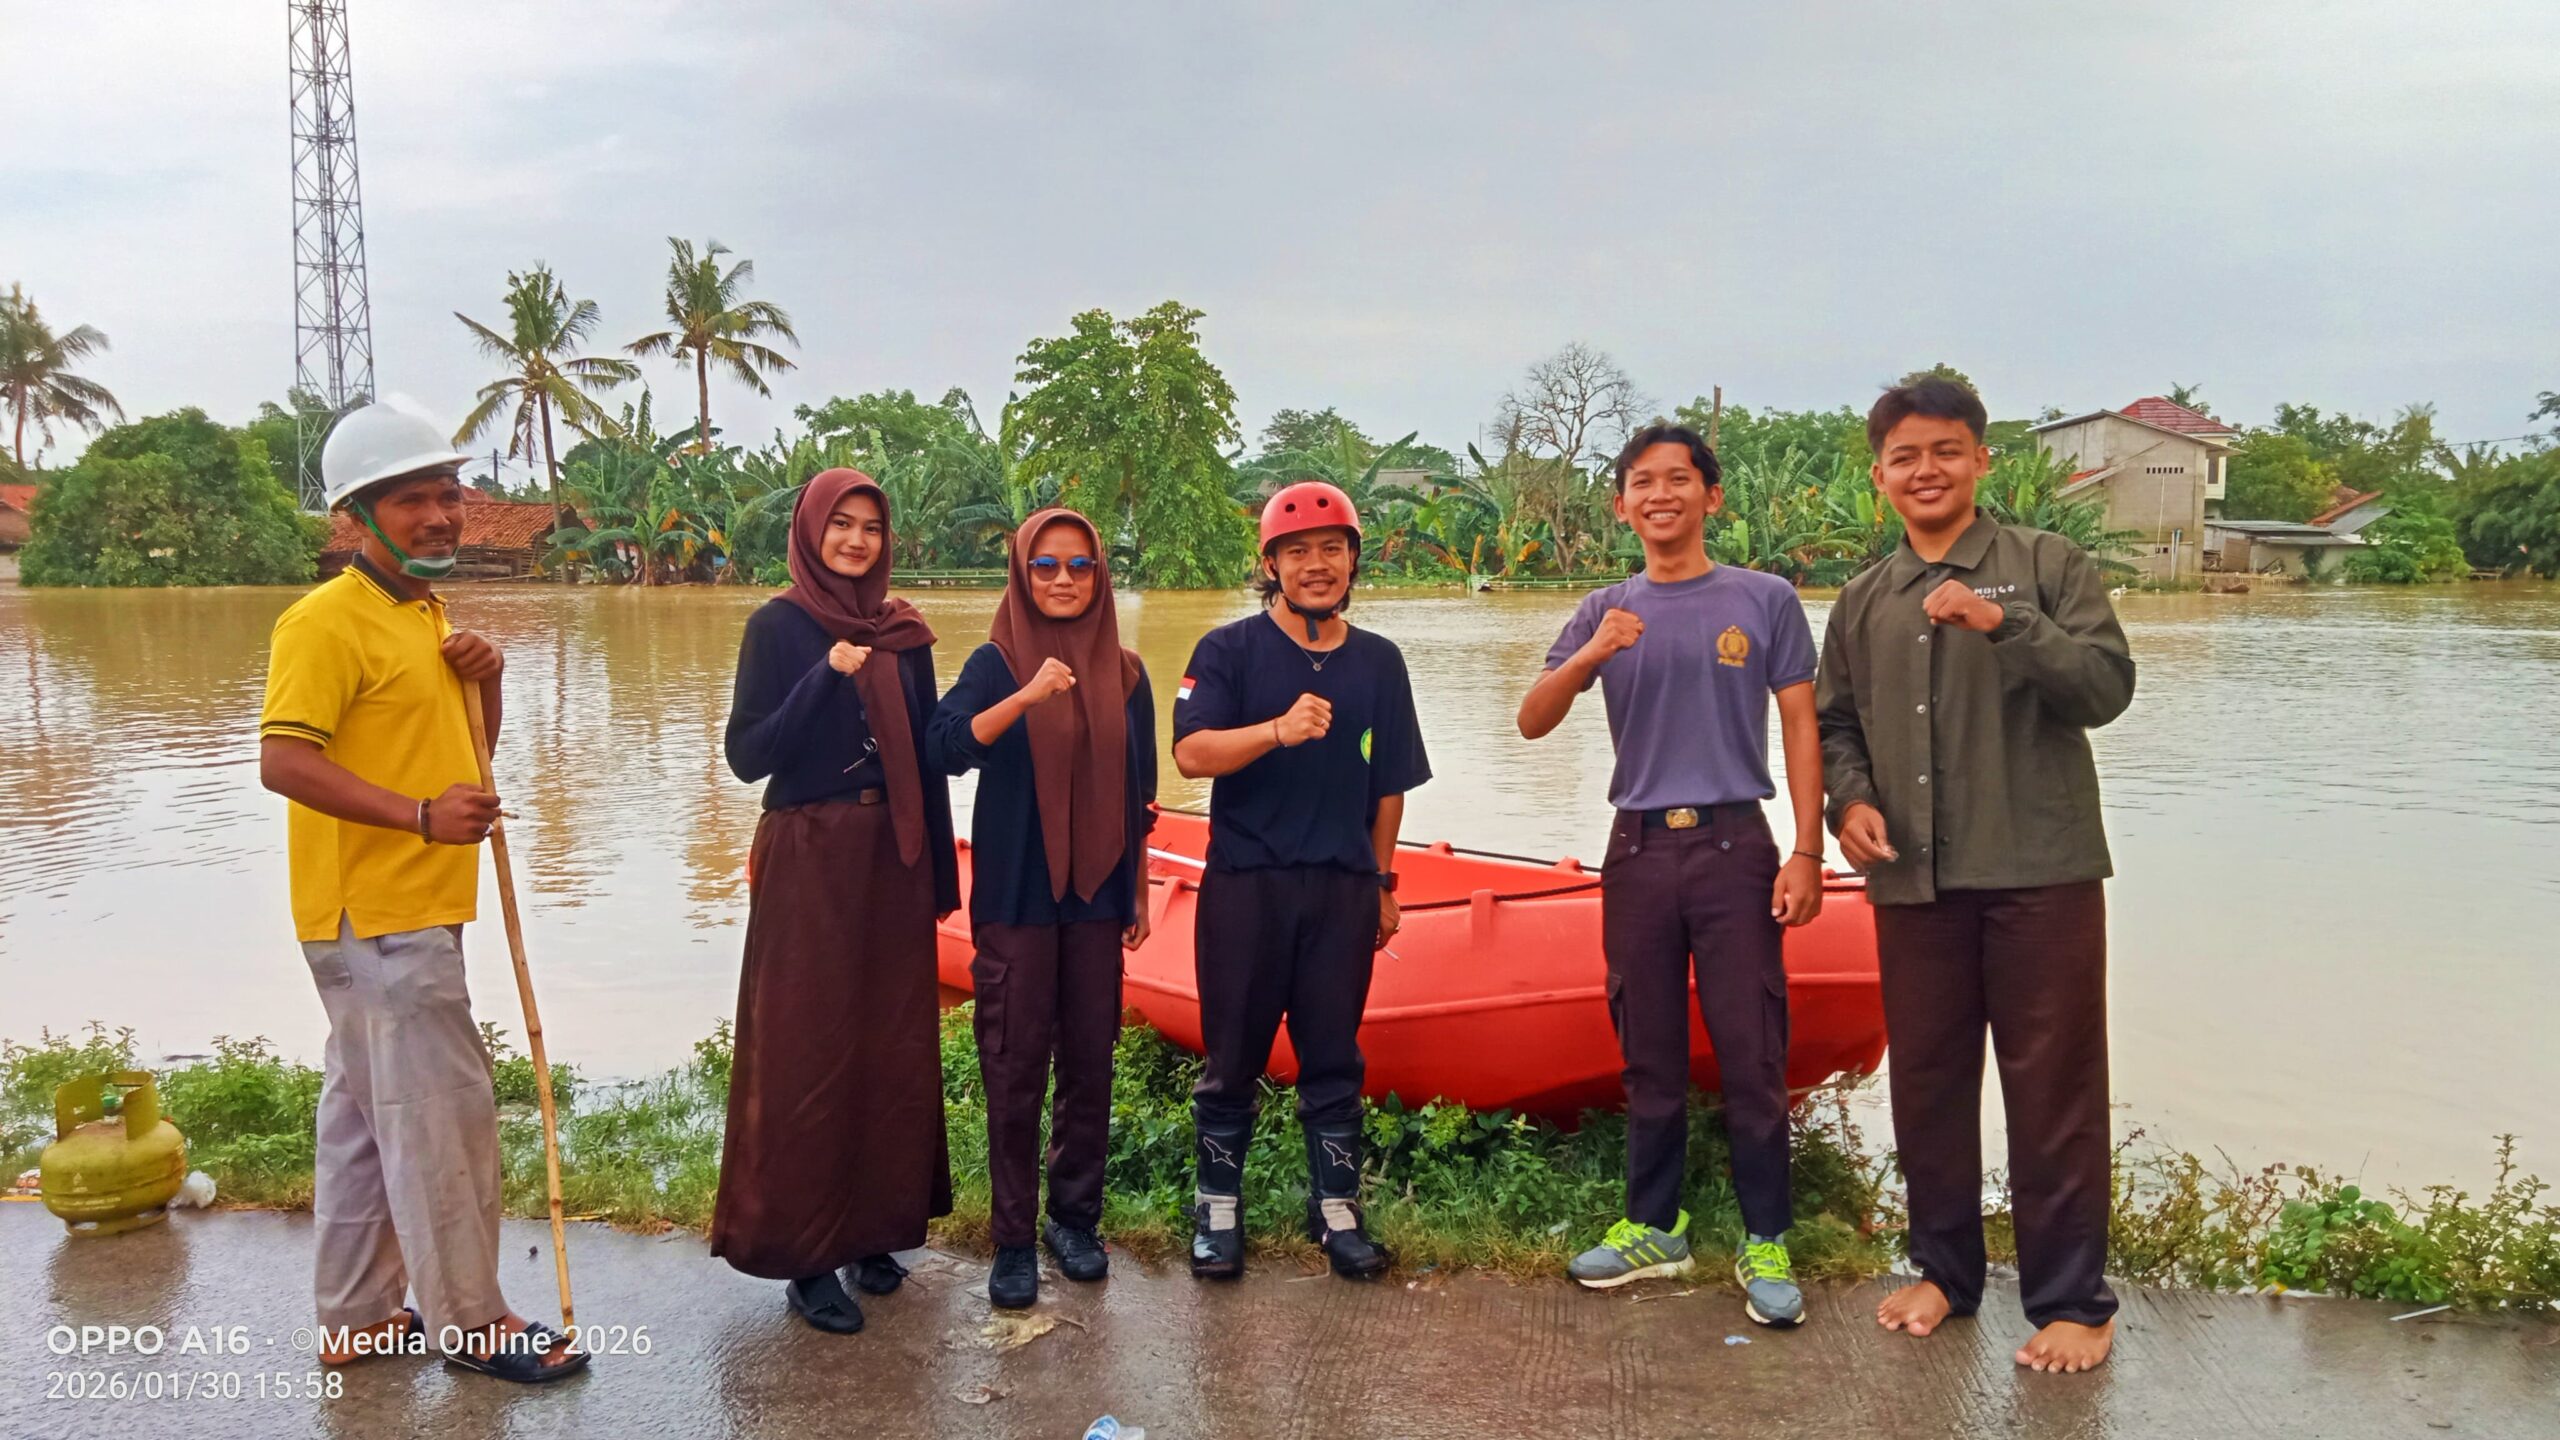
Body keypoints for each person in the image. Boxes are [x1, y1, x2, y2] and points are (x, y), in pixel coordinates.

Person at [257, 403, 587, 1384]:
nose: (441, 514)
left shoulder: (425, 615)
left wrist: (487, 681)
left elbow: (469, 760)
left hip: (414, 915)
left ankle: (356, 1318)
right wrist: (415, 818)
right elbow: (282, 761)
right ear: (358, 515)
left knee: (366, 1124)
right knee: (445, 1119)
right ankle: (472, 1324)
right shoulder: (322, 622)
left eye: (448, 494)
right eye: (414, 499)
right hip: (377, 920)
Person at [1816, 376, 2135, 1374]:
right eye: (1905, 457)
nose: (1926, 471)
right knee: (1929, 1083)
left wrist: (2010, 627)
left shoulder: (2045, 565)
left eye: (1945, 451)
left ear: (1980, 460)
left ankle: (2074, 1303)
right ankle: (1944, 1275)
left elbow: (2105, 689)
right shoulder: (1866, 600)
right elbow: (1835, 724)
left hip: (2039, 871)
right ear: (1880, 477)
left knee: (2055, 1088)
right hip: (1913, 879)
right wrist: (1849, 803)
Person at [1516, 423, 1827, 1328]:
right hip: (1640, 851)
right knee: (1646, 1048)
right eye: (1642, 482)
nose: (1661, 494)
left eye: (1679, 479)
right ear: (1621, 504)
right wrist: (1591, 652)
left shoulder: (1765, 600)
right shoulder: (1603, 608)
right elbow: (1532, 720)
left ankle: (1766, 1237)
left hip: (1738, 847)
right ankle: (1657, 1226)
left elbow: (1803, 726)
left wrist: (1808, 849)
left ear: (1711, 497)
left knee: (1751, 1050)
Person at [714, 468, 960, 1335]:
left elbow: (928, 756)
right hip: (811, 854)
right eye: (841, 525)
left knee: (888, 1045)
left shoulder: (904, 633)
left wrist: (941, 879)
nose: (857, 540)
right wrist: (825, 674)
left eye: (871, 528)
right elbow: (750, 758)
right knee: (806, 1050)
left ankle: (873, 1233)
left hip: (892, 857)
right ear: (811, 531)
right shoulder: (777, 627)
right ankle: (808, 1258)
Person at [1170, 481, 1430, 1280]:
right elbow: (1190, 754)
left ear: (1354, 559)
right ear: (1270, 566)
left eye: (1331, 549)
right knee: (1233, 1054)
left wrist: (1382, 882)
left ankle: (1338, 1211)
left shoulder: (1379, 662)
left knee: (1331, 1054)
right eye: (1296, 552)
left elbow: (1390, 782)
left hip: (1341, 889)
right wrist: (1277, 731)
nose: (1315, 565)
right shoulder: (1227, 653)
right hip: (1248, 884)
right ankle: (1218, 1210)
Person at [925, 509, 1157, 1311]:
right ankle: (1014, 1240)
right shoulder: (995, 662)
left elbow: (1142, 794)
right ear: (1023, 576)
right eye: (1046, 566)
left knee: (1090, 1064)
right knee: (1014, 1067)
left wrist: (1140, 887)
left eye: (1081, 566)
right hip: (1017, 897)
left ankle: (1074, 1221)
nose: (1063, 580)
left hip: (1097, 899)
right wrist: (1024, 697)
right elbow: (946, 746)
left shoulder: (1127, 674)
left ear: (1101, 576)